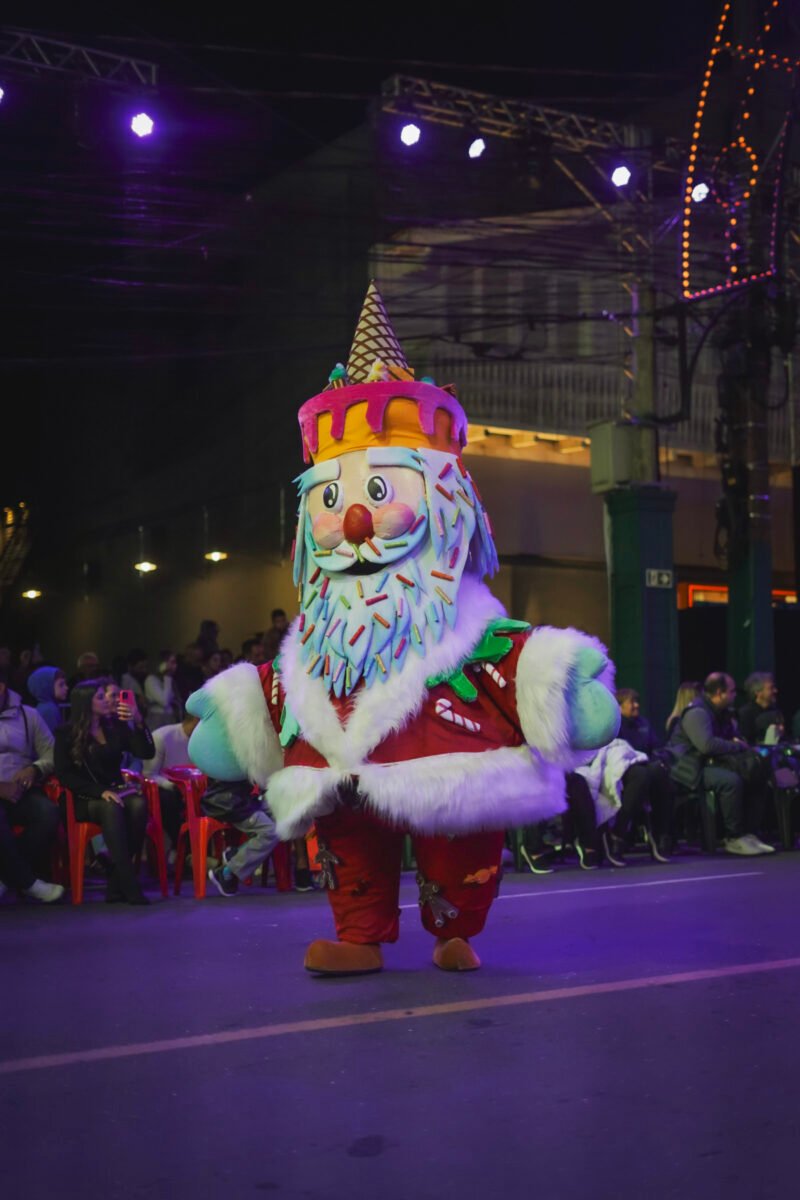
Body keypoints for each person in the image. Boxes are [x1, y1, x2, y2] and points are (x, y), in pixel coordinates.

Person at [186, 283, 619, 975]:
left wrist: (560, 682)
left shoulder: (462, 619)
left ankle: (454, 927)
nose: (353, 520)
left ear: (445, 500)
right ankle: (359, 932)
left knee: (460, 839)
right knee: (348, 838)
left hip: (448, 754)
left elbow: (509, 656)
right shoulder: (322, 627)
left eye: (379, 492)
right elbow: (289, 682)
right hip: (341, 766)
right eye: (332, 500)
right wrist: (245, 714)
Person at [54, 679, 156, 904]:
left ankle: (115, 878)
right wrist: (99, 791)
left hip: (115, 792)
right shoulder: (66, 733)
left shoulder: (114, 727)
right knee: (111, 806)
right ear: (85, 703)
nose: (108, 701)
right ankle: (129, 885)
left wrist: (138, 721)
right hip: (83, 797)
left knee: (138, 804)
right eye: (100, 697)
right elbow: (64, 774)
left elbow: (146, 752)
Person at [666, 671, 773, 856]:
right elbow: (706, 745)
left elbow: (733, 737)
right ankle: (733, 837)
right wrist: (735, 746)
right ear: (718, 693)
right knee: (730, 781)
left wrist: (737, 742)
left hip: (708, 763)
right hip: (688, 768)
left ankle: (748, 833)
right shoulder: (697, 712)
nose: (734, 695)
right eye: (731, 691)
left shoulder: (722, 713)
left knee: (755, 774)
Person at [0, 672, 64, 903]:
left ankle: (7, 878)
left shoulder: (28, 715)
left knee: (48, 812)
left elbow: (51, 753)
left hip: (21, 790)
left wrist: (34, 769)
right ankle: (27, 882)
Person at [576, 737, 673, 865]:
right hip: (607, 761)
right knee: (640, 776)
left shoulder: (641, 723)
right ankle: (618, 833)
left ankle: (660, 833)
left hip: (636, 757)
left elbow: (655, 746)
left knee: (659, 771)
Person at [202, 780, 280, 897]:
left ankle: (236, 855)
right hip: (229, 802)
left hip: (244, 797)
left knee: (282, 814)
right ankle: (227, 871)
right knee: (270, 832)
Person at [142, 712, 200, 850]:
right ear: (197, 720)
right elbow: (149, 774)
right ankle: (185, 850)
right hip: (166, 789)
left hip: (193, 790)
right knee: (169, 800)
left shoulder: (204, 741)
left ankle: (204, 854)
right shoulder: (162, 737)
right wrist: (175, 786)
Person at [738, 672, 784, 745]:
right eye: (771, 688)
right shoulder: (746, 713)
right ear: (758, 692)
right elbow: (747, 742)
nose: (776, 691)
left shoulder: (775, 710)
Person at [616, 688, 662, 756]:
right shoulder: (614, 729)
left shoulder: (644, 723)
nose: (637, 705)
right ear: (619, 707)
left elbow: (656, 747)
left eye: (636, 701)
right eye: (632, 702)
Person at [144, 652, 181, 729]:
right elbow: (164, 701)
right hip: (158, 720)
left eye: (175, 662)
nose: (174, 666)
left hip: (169, 719)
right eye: (171, 662)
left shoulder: (170, 680)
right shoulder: (151, 679)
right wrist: (167, 676)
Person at [27, 666, 69, 734]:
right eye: (61, 685)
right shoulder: (48, 710)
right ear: (47, 686)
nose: (66, 688)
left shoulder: (46, 707)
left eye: (65, 684)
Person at [174, 643, 205, 711]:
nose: (199, 662)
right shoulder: (180, 671)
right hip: (183, 705)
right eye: (197, 659)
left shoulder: (198, 671)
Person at [120, 649, 149, 715]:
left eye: (146, 667)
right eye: (140, 667)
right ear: (130, 666)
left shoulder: (136, 680)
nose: (144, 670)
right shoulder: (128, 682)